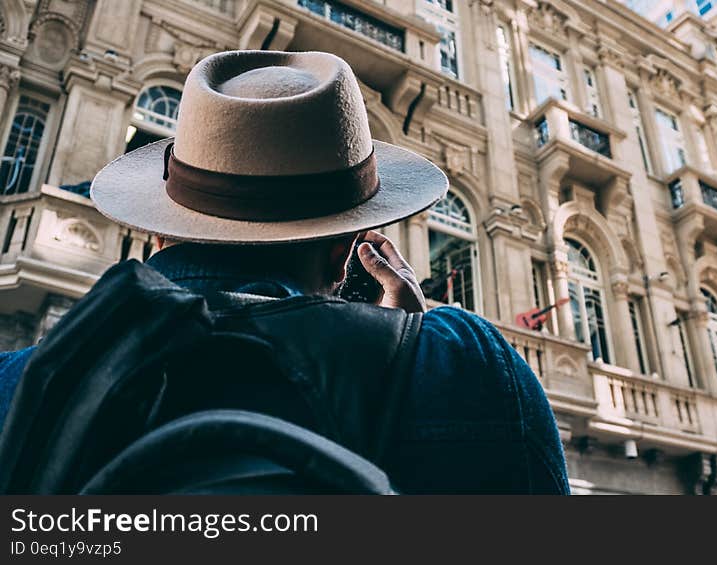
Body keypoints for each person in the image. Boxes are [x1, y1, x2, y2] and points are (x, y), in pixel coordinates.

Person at [0, 50, 568, 494]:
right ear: (349, 253)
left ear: (157, 230)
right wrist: (416, 358)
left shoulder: (14, 386)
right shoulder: (471, 368)